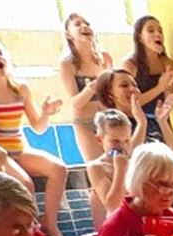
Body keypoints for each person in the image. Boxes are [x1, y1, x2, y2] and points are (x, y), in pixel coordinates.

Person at [0, 40, 67, 236]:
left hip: (19, 149)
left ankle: (50, 223)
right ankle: (31, 231)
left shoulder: (20, 88)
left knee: (59, 169)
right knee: (25, 185)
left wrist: (46, 113)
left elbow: (38, 127)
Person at [58, 14, 113, 180]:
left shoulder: (105, 58)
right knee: (98, 174)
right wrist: (91, 87)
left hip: (109, 121)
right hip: (85, 124)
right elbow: (75, 103)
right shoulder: (67, 64)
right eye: (77, 24)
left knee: (117, 170)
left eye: (87, 23)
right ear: (68, 34)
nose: (84, 26)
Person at [95, 67, 173, 158]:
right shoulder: (110, 124)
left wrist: (163, 122)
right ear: (109, 94)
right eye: (124, 85)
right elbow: (127, 159)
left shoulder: (151, 119)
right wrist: (141, 125)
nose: (132, 89)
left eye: (135, 86)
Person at [122, 16, 173, 145]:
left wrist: (169, 89)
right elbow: (130, 103)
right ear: (140, 37)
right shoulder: (130, 64)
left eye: (160, 31)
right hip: (137, 122)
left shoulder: (167, 63)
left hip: (161, 121)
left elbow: (168, 100)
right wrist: (160, 87)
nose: (157, 34)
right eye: (151, 31)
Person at [86, 109, 143, 216]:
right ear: (100, 140)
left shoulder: (132, 162)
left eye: (127, 141)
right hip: (114, 226)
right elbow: (113, 207)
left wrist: (142, 123)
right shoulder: (96, 167)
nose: (122, 146)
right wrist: (120, 170)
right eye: (115, 141)